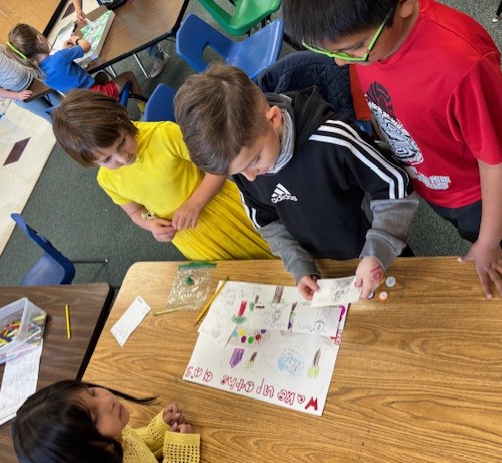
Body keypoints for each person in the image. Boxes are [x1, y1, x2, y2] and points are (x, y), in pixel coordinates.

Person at [282, 0, 502, 300]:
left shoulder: (461, 65)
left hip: (482, 192)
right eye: (331, 51)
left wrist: (489, 241)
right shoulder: (369, 43)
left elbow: (497, 161)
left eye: (355, 47)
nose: (340, 63)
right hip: (438, 181)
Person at [174, 64, 419, 300]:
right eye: (238, 173)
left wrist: (376, 252)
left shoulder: (333, 140)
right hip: (327, 269)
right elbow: (267, 222)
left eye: (254, 160)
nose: (250, 176)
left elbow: (395, 188)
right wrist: (299, 264)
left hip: (382, 254)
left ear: (273, 119)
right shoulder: (245, 168)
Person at [51, 89, 275, 261]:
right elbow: (135, 212)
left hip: (224, 211)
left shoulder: (164, 134)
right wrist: (152, 226)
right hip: (191, 238)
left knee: (272, 251)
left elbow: (219, 167)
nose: (122, 158)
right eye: (106, 159)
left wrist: (195, 204)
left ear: (123, 119)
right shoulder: (107, 180)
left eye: (121, 143)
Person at [12, 380, 200, 463]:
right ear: (83, 458)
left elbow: (133, 443)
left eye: (91, 392)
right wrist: (179, 454)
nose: (107, 401)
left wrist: (156, 432)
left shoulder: (110, 437)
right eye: (94, 417)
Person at [6, 23, 145, 101]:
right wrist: (75, 40)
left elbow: (63, 71)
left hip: (83, 105)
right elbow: (86, 45)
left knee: (101, 76)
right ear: (40, 39)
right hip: (99, 97)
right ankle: (144, 111)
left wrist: (65, 52)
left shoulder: (39, 74)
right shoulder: (60, 57)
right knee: (129, 75)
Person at [72, 0, 169, 78]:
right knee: (131, 31)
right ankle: (158, 53)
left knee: (139, 28)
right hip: (110, 4)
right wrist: (78, 9)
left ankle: (160, 54)